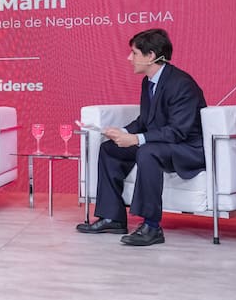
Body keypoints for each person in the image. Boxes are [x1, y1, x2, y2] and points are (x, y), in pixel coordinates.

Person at [76, 28, 207, 246]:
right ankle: (112, 217)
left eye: (134, 53)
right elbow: (145, 121)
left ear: (151, 56)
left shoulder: (181, 84)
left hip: (187, 148)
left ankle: (152, 227)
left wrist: (137, 139)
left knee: (147, 151)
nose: (129, 58)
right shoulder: (149, 81)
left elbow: (178, 132)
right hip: (162, 143)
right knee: (110, 149)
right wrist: (123, 132)